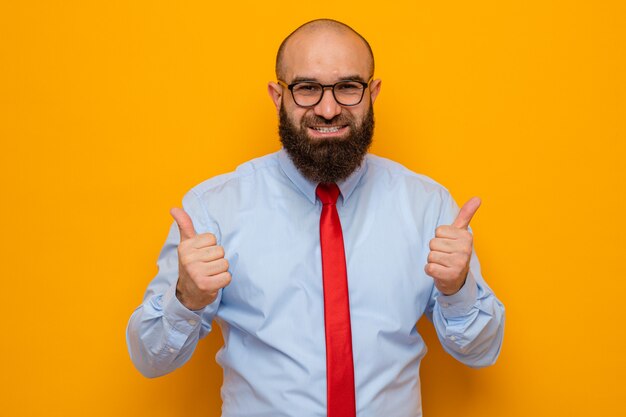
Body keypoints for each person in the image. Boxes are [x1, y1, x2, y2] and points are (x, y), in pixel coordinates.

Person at [126, 18, 505, 417]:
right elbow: (151, 360)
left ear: (372, 93)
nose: (328, 109)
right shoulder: (214, 208)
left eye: (348, 87)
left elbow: (481, 352)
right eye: (307, 88)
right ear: (278, 96)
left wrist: (457, 288)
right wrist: (186, 298)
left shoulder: (427, 205)